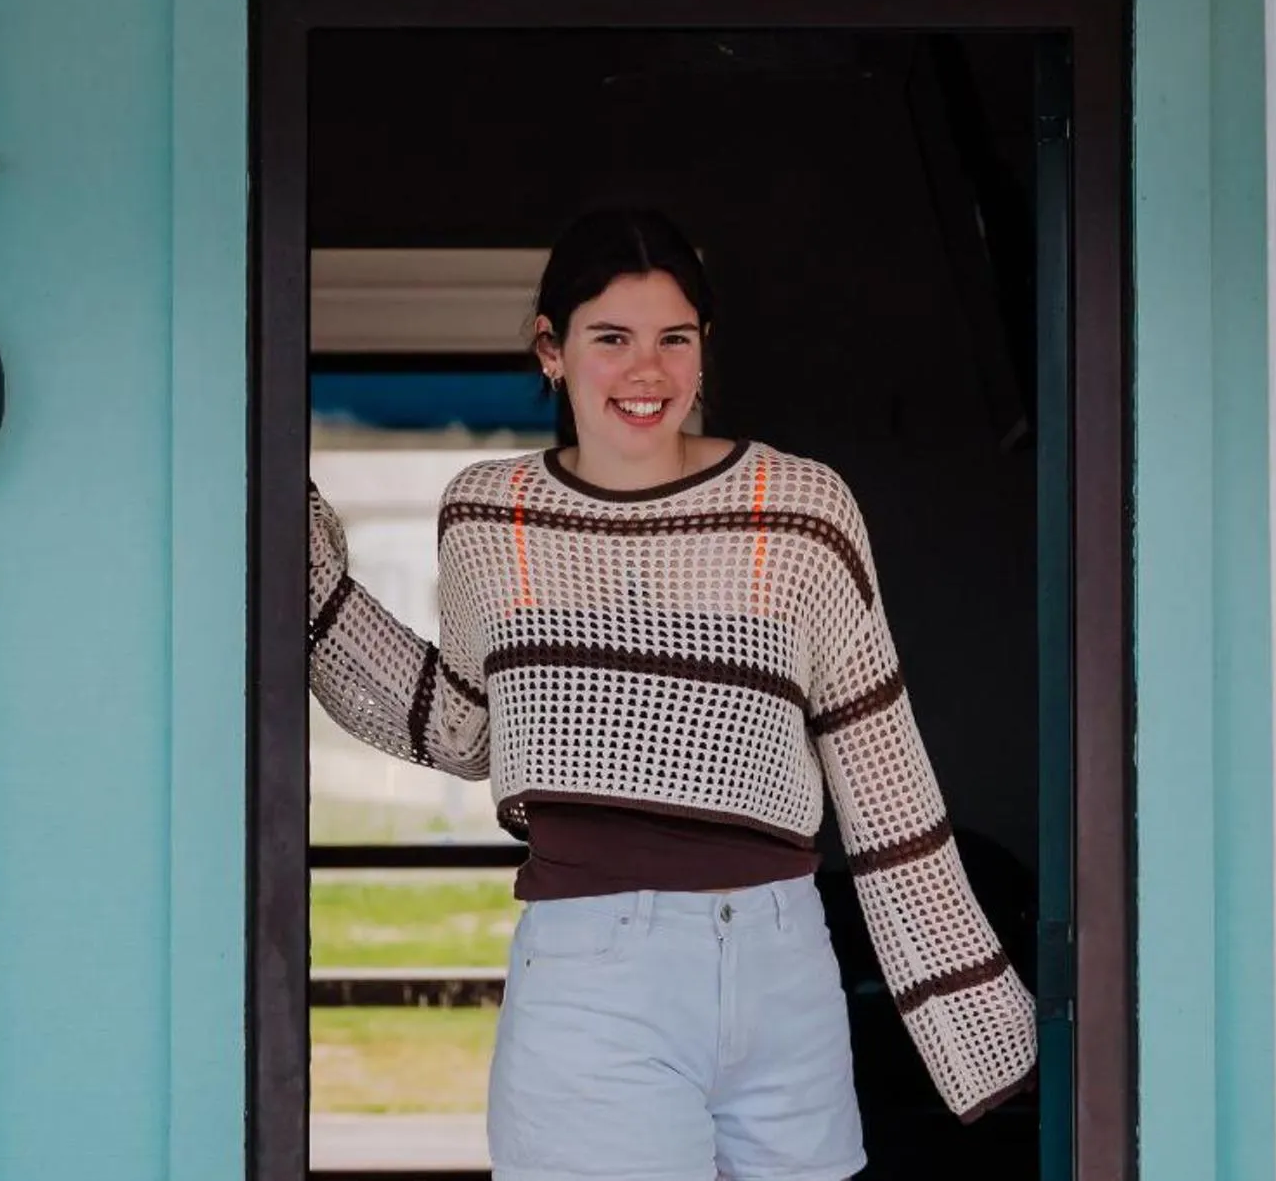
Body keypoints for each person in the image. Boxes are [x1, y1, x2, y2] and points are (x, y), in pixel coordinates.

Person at [307, 209, 1035, 1181]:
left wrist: (978, 1016)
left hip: (785, 963)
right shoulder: (490, 516)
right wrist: (313, 589)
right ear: (551, 349)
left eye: (673, 339)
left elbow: (882, 770)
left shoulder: (800, 508)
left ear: (703, 348)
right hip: (595, 975)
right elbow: (465, 725)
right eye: (611, 338)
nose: (645, 371)